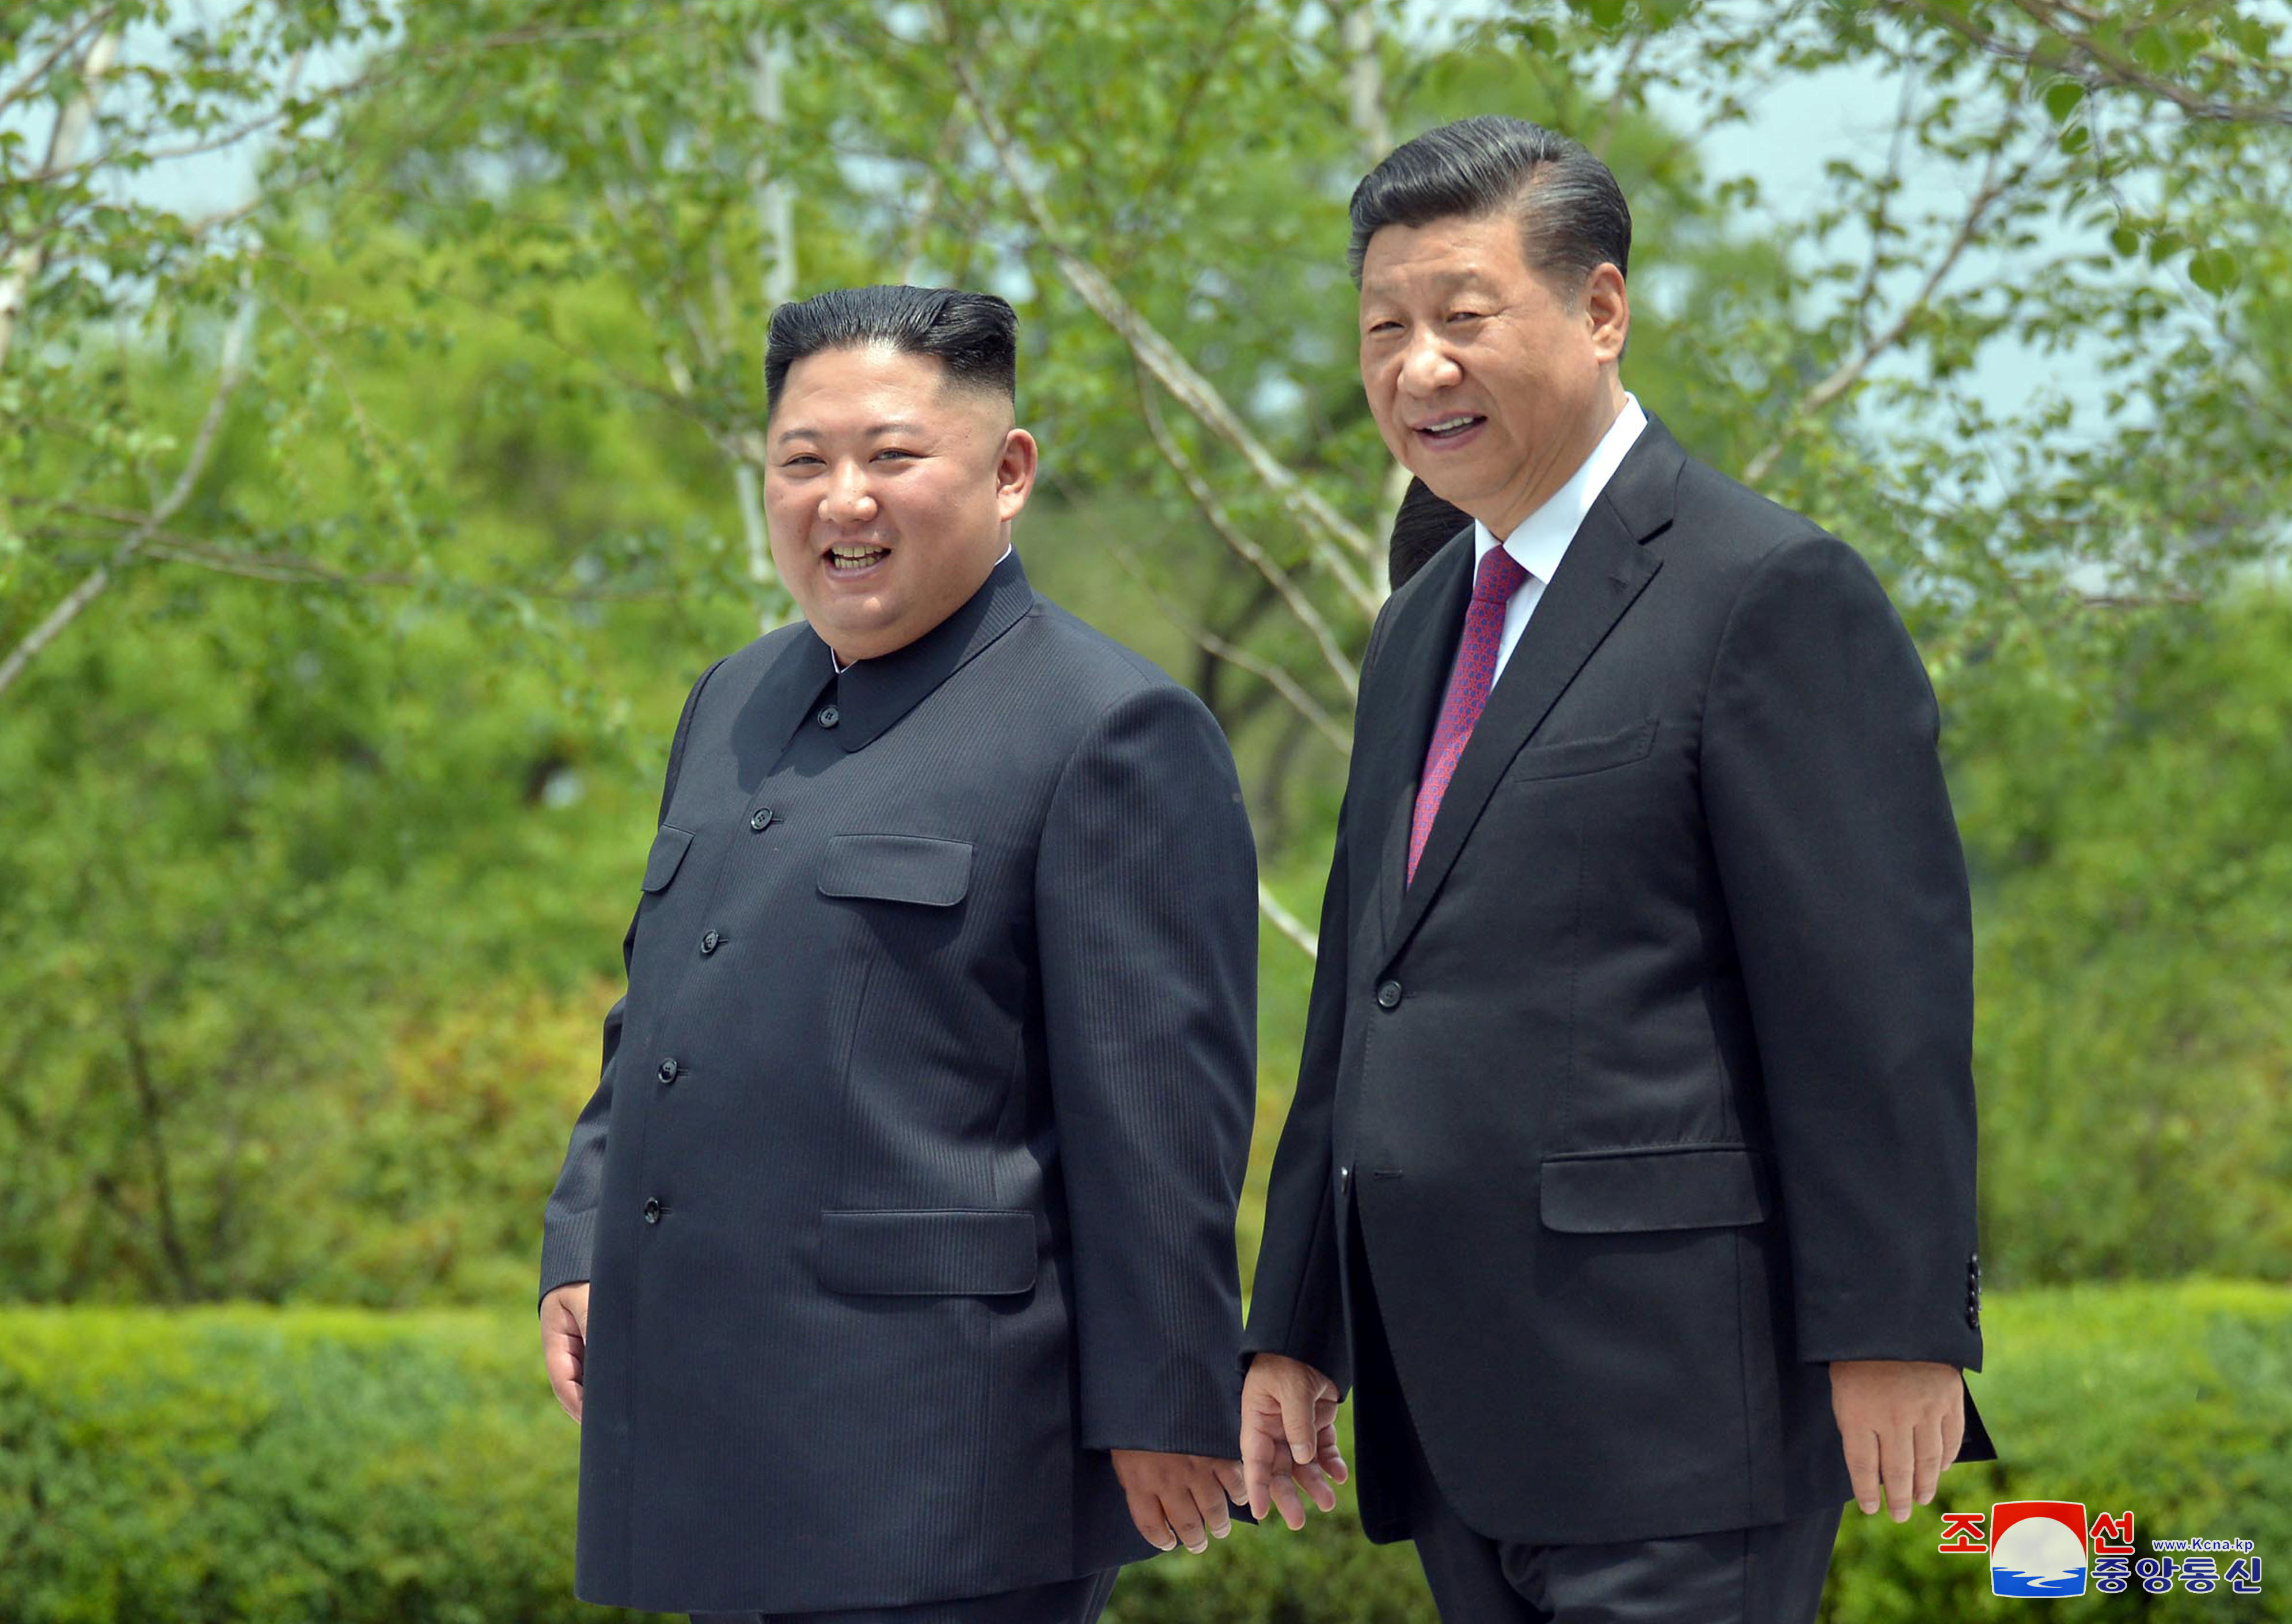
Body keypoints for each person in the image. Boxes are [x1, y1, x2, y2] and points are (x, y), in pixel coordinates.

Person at [1240, 117, 1995, 1624]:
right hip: (1452, 1402)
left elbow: (1872, 996)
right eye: (1384, 328)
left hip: (1675, 1415)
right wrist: (1295, 1317)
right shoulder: (1416, 622)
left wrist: (1900, 1322)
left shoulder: (1766, 591)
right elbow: (1363, 999)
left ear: (1599, 311)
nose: (1416, 368)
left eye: (1463, 318)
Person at [535, 285, 1258, 1623]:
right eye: (801, 463)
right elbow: (661, 1014)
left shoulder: (1109, 729)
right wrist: (581, 1236)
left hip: (948, 1467)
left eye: (891, 457)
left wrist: (1165, 1401)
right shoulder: (731, 698)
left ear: (1008, 471)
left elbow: (1160, 1115)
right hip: (715, 1436)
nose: (841, 500)